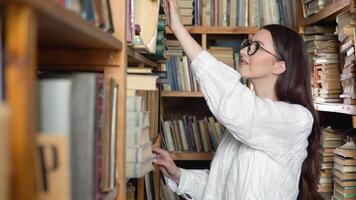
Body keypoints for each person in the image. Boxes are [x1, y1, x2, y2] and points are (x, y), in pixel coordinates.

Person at [152, 0, 323, 199]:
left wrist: (179, 30)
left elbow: (238, 108)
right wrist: (177, 173)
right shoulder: (243, 124)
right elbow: (220, 187)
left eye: (256, 47)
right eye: (248, 44)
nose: (243, 51)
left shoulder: (297, 119)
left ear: (279, 66)